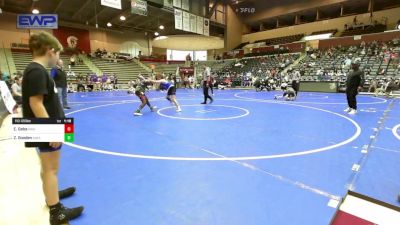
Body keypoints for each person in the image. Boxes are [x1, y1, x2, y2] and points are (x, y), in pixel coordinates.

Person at [22, 32, 83, 225]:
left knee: (48, 168)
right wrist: (52, 131)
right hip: (47, 127)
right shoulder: (37, 71)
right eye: (58, 54)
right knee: (51, 169)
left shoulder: (36, 70)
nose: (58, 59)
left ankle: (51, 194)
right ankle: (56, 212)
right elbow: (36, 103)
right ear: (51, 51)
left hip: (51, 125)